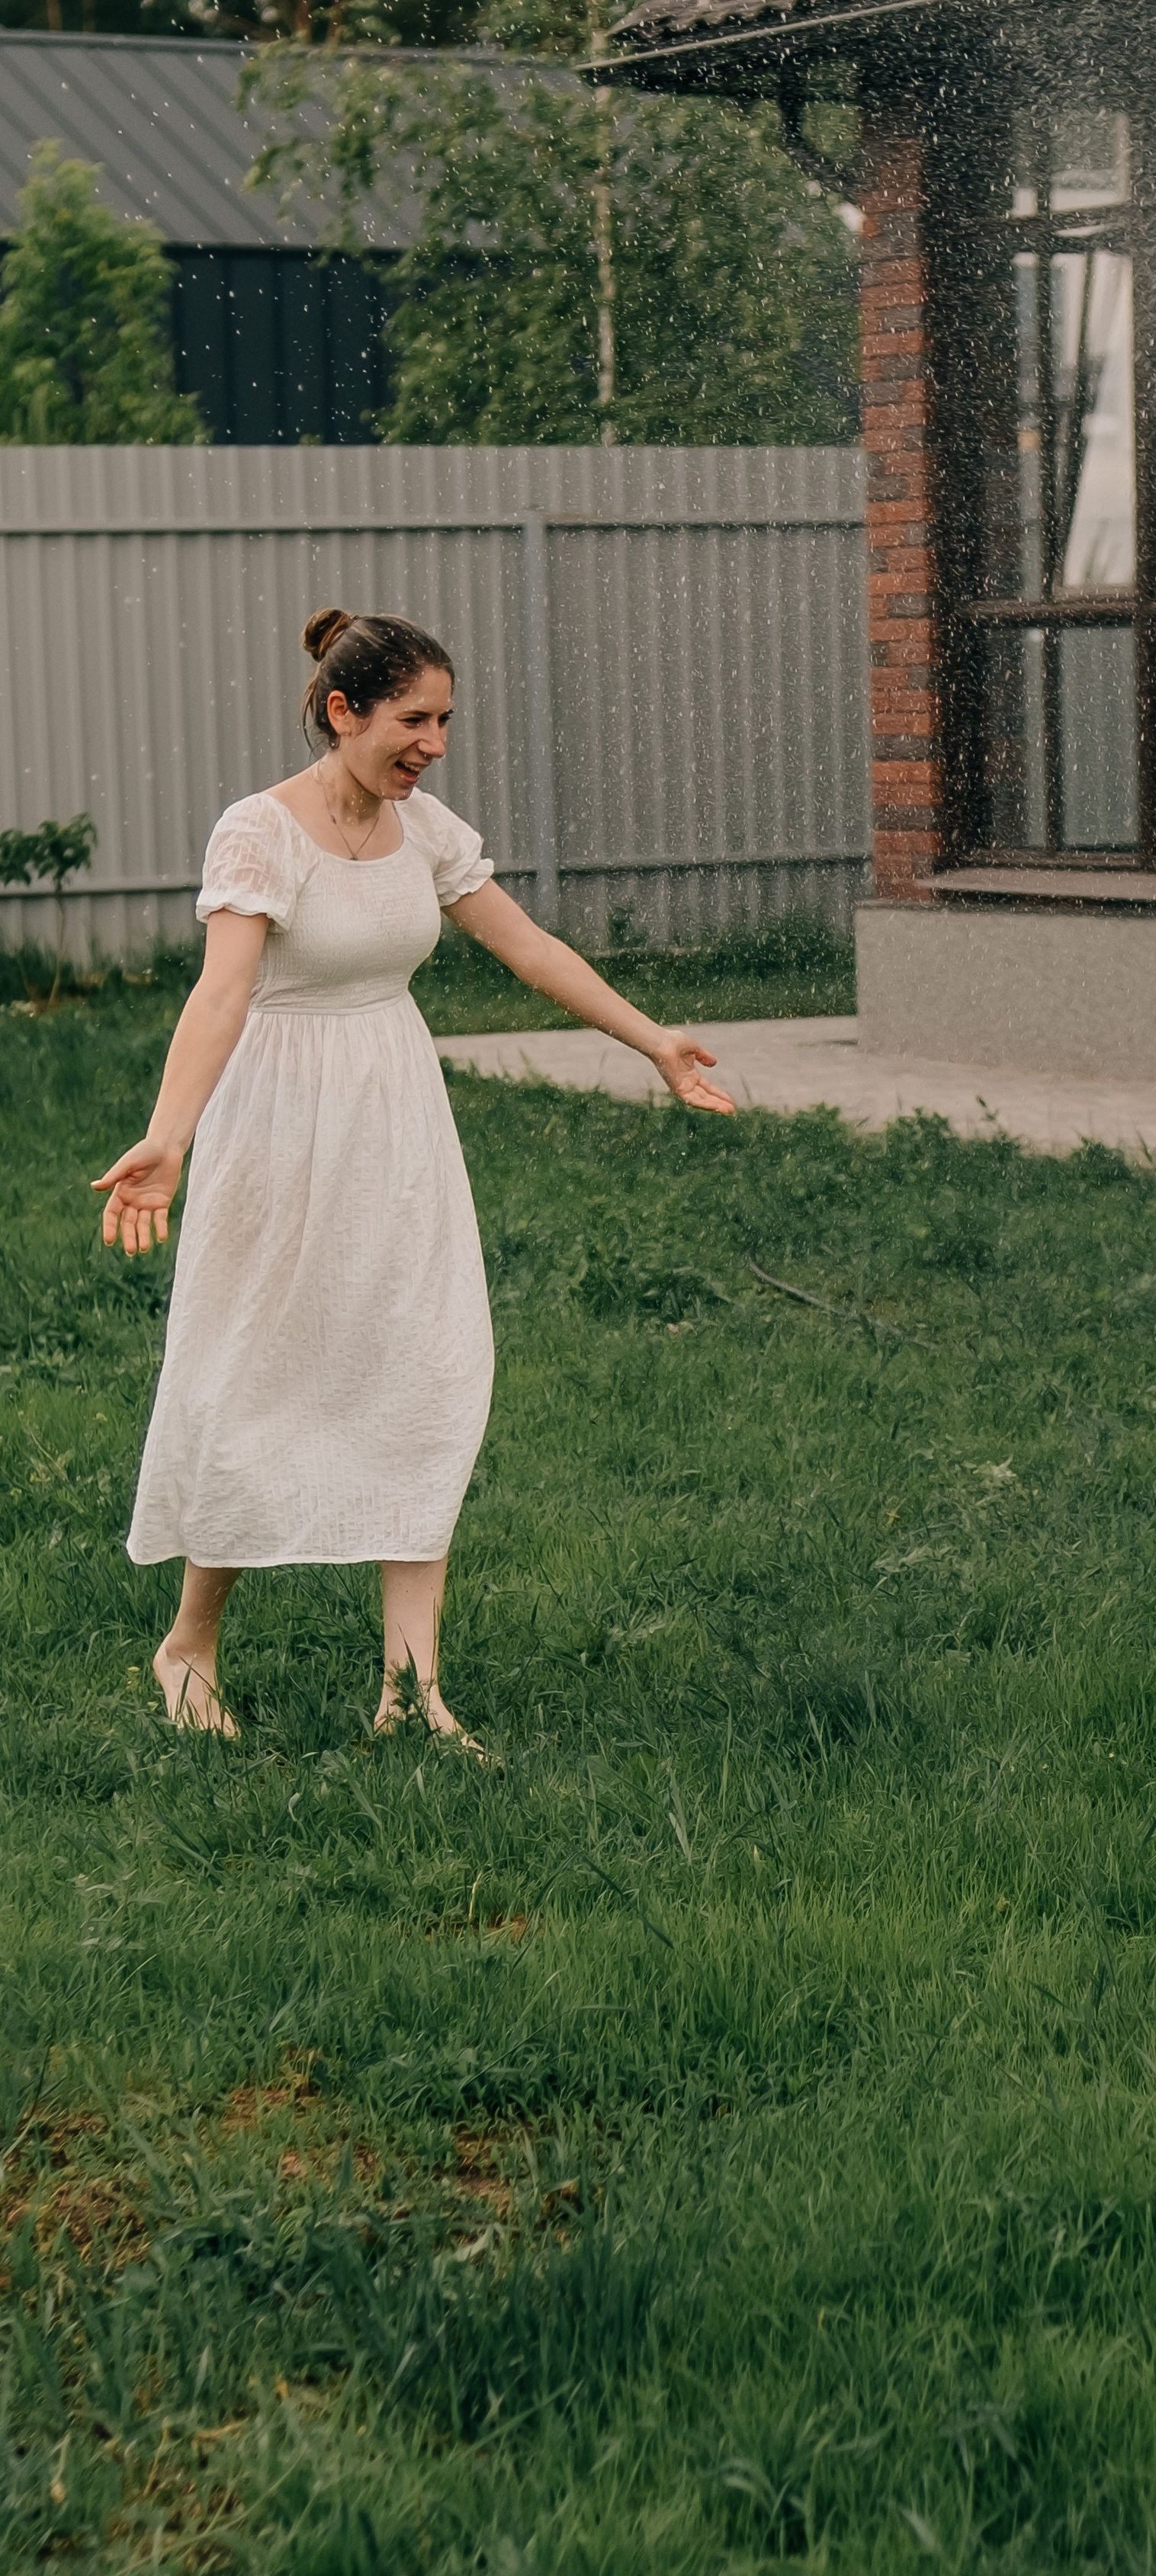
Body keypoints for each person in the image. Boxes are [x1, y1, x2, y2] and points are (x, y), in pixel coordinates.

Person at [95, 605, 736, 1747]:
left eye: (445, 719)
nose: (434, 742)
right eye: (413, 720)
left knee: (423, 1375)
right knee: (250, 1382)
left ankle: (410, 1691)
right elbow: (224, 994)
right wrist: (168, 1137)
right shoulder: (260, 833)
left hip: (396, 1128)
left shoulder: (425, 829)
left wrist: (652, 1041)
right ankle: (189, 1643)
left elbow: (528, 946)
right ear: (343, 712)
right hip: (278, 1129)